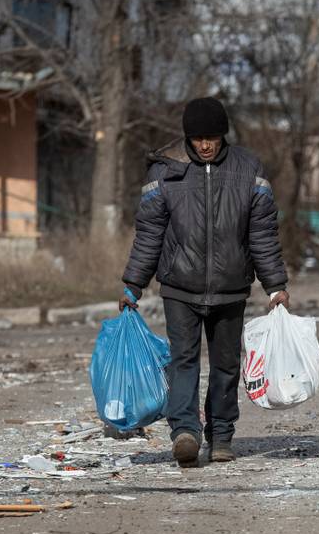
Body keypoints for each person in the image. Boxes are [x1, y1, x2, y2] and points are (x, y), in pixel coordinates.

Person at [119, 97, 289, 467]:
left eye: (212, 137)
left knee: (227, 364)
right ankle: (184, 432)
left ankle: (222, 434)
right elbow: (149, 234)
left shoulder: (249, 170)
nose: (206, 145)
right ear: (188, 137)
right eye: (198, 138)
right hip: (180, 286)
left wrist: (275, 285)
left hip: (231, 287)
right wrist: (133, 283)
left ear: (223, 136)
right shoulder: (164, 172)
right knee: (183, 360)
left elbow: (262, 234)